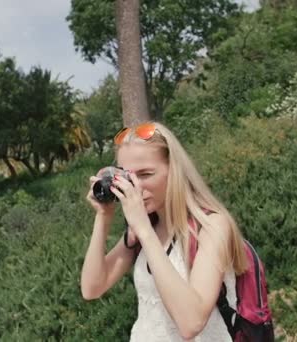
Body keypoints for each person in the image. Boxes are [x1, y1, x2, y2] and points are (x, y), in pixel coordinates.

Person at [80, 121, 249, 341]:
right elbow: (92, 288)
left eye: (146, 174)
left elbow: (191, 323)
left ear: (174, 170)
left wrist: (143, 229)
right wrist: (104, 216)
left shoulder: (211, 226)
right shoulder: (145, 228)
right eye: (128, 176)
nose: (136, 187)